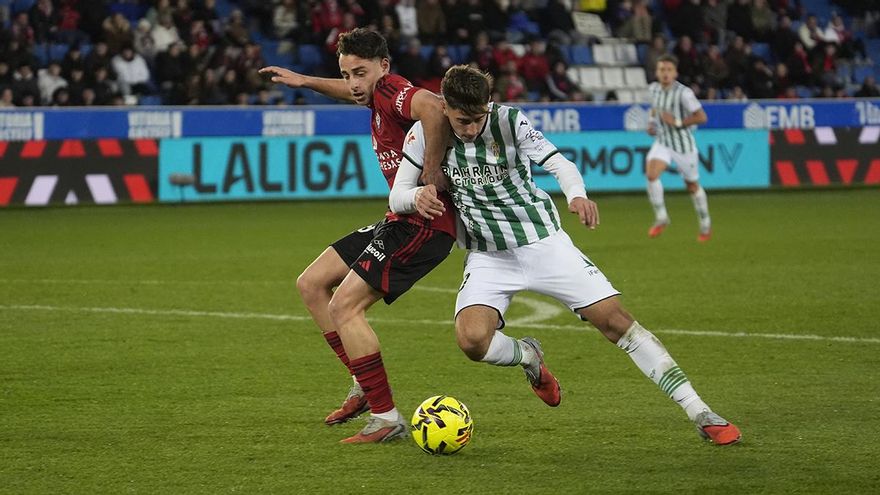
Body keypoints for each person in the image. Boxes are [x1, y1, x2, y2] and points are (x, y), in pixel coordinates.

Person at [389, 65, 742, 446]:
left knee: (615, 321)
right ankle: (528, 356)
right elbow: (397, 195)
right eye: (463, 120)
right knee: (472, 340)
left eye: (479, 118)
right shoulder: (424, 134)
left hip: (543, 243)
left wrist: (576, 195)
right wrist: (416, 197)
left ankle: (699, 410)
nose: (472, 128)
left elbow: (558, 162)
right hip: (488, 255)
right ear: (445, 108)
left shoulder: (509, 121)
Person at [258, 28, 456, 444]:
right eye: (346, 74)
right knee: (312, 283)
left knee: (345, 306)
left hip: (424, 224)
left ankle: (385, 419)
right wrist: (305, 80)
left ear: (383, 66)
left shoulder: (390, 89)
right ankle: (364, 385)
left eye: (359, 73)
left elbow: (434, 107)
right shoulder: (373, 91)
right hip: (398, 219)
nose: (352, 83)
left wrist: (432, 170)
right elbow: (352, 92)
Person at [645, 54, 712, 242]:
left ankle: (705, 222)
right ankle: (662, 217)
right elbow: (655, 109)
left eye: (669, 70)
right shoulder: (653, 89)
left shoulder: (684, 93)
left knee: (692, 186)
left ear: (675, 73)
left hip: (683, 145)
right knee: (651, 174)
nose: (665, 73)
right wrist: (651, 123)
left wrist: (677, 122)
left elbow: (702, 117)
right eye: (662, 70)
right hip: (663, 141)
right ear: (657, 72)